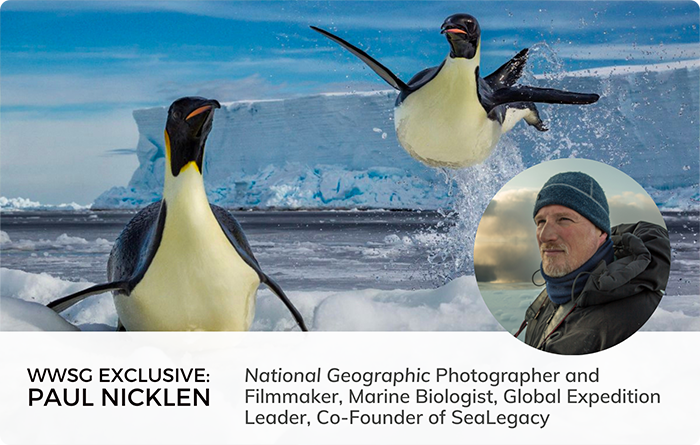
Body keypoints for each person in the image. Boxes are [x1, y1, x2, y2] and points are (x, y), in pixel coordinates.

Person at [518, 171, 671, 354]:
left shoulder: (639, 317)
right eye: (540, 221)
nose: (544, 235)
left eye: (564, 219)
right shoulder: (552, 298)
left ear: (601, 232)